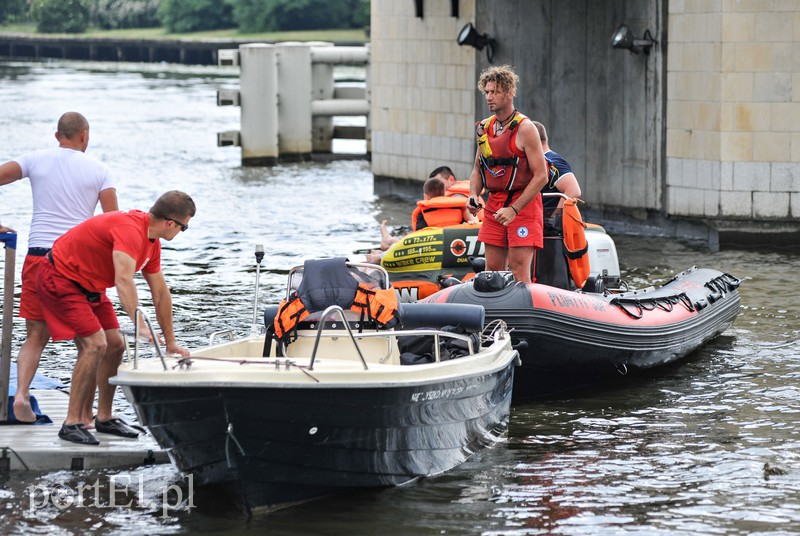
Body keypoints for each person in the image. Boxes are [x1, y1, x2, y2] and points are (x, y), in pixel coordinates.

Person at [36, 191, 195, 445]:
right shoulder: (130, 230)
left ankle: (104, 417)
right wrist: (139, 324)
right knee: (95, 344)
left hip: (91, 287)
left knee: (116, 345)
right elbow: (123, 280)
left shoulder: (152, 243)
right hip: (60, 277)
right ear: (170, 223)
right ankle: (72, 423)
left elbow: (160, 293)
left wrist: (171, 342)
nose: (182, 232)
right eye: (184, 227)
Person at [0, 112, 119, 424]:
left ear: (57, 136)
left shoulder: (34, 160)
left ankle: (21, 394)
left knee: (35, 335)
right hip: (76, 263)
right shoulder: (100, 171)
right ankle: (85, 415)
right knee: (91, 342)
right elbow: (113, 223)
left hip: (38, 257)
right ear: (84, 136)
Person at [467, 65, 548, 283]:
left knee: (519, 271)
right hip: (494, 204)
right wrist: (473, 195)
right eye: (487, 92)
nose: (489, 97)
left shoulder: (526, 128)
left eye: (495, 92)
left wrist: (514, 209)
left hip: (523, 205)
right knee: (492, 272)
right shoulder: (484, 128)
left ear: (510, 93)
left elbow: (542, 176)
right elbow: (477, 169)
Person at [366, 178, 476, 263]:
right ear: (444, 194)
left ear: (426, 196)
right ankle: (388, 242)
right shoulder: (459, 206)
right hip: (453, 247)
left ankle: (381, 254)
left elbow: (417, 240)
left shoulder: (422, 211)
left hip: (432, 250)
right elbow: (472, 222)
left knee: (406, 245)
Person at [532, 121, 581, 217]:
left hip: (544, 221)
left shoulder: (552, 162)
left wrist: (553, 217)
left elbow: (573, 190)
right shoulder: (541, 160)